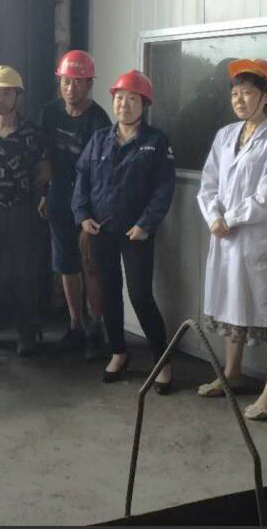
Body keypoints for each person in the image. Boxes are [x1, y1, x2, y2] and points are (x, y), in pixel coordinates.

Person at [197, 59, 267, 419]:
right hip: (225, 237)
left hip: (257, 238)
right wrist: (213, 216)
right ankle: (233, 373)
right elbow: (208, 182)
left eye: (247, 93)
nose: (239, 100)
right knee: (230, 302)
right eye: (235, 94)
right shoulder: (225, 135)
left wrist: (230, 218)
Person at [72, 70, 176, 392]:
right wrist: (82, 215)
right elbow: (82, 179)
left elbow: (164, 189)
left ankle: (163, 361)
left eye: (132, 99)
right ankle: (118, 351)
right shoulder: (99, 139)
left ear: (144, 104)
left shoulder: (156, 142)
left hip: (136, 233)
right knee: (108, 292)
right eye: (119, 98)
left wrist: (146, 224)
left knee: (140, 295)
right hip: (101, 230)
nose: (124, 105)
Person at [0, 65, 49, 356]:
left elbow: (44, 168)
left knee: (25, 269)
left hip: (22, 208)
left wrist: (40, 194)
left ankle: (28, 332)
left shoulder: (32, 133)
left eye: (5, 94)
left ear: (17, 96)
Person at [38, 50, 111, 360]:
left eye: (79, 82)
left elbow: (102, 171)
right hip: (58, 198)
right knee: (65, 264)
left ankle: (97, 328)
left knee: (91, 265)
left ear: (90, 84)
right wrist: (45, 193)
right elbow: (44, 157)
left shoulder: (99, 121)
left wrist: (90, 211)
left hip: (90, 204)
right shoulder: (50, 114)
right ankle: (75, 325)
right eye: (66, 82)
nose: (71, 88)